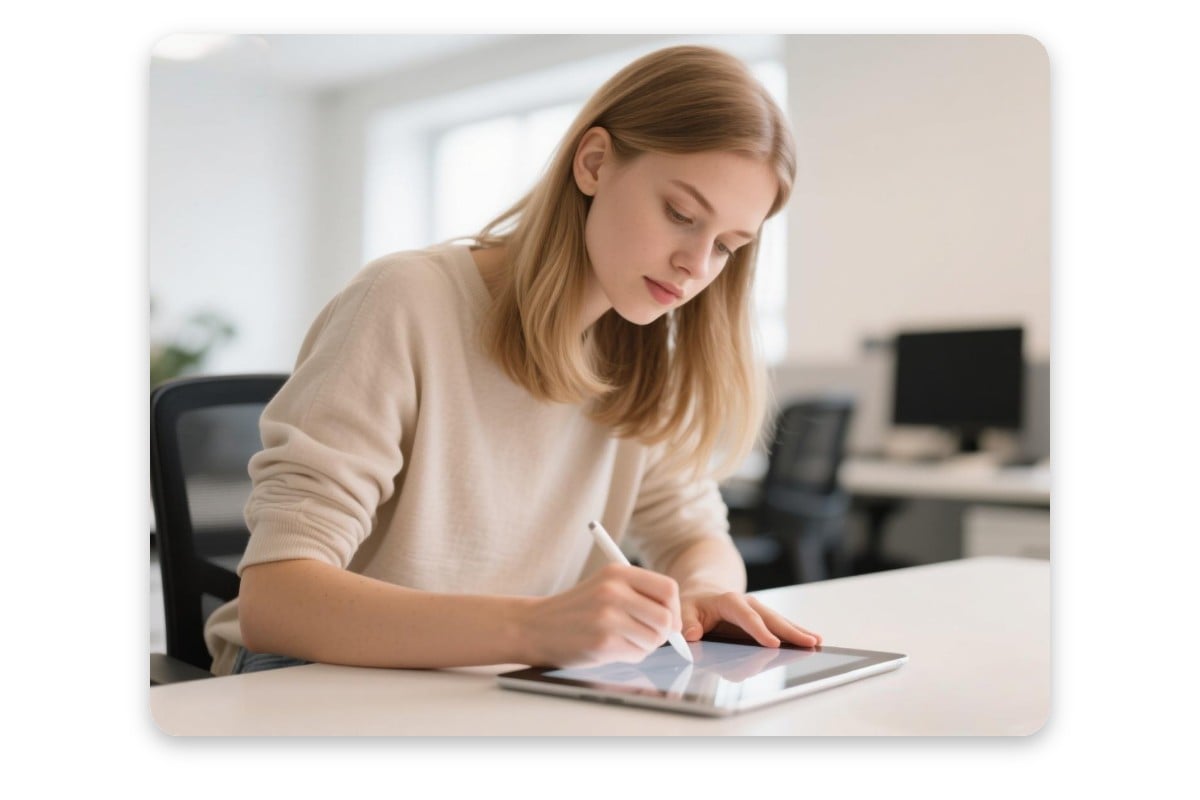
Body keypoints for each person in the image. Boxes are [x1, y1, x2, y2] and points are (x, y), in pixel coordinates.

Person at [203, 44, 823, 677]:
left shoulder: (643, 357)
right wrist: (536, 628)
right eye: (680, 214)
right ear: (594, 163)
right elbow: (277, 601)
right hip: (311, 679)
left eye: (727, 246)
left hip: (489, 688)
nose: (696, 265)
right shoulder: (404, 301)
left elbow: (694, 535)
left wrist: (701, 590)